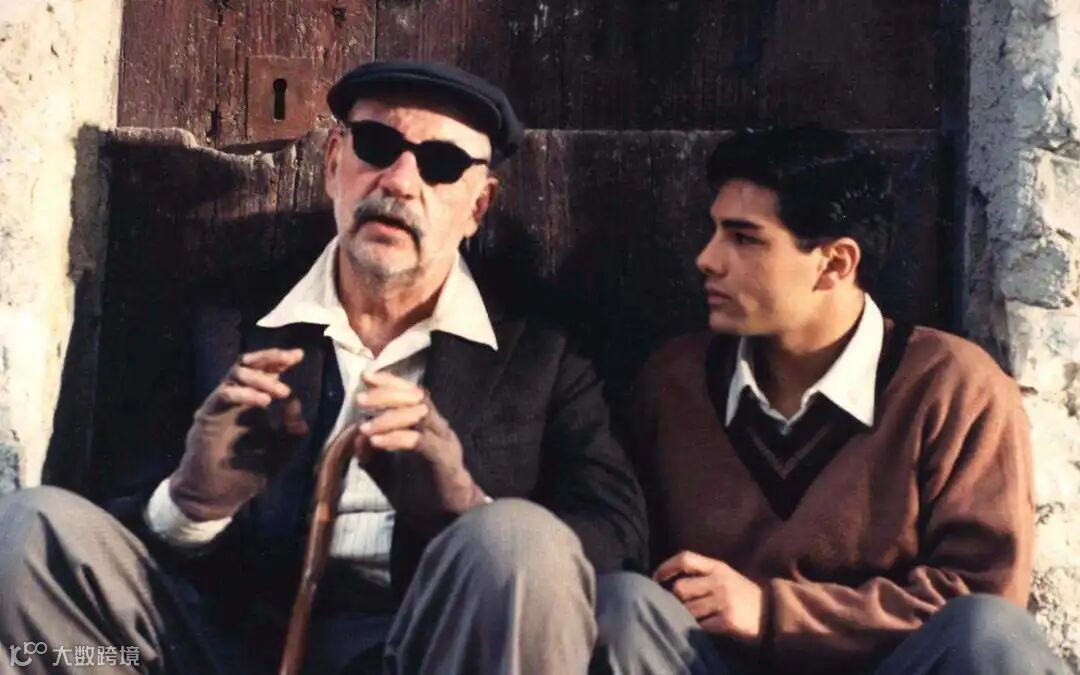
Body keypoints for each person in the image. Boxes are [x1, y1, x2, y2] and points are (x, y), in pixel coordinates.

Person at [0, 60, 648, 675]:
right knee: (29, 532)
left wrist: (467, 511)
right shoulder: (221, 320)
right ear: (335, 164)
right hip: (219, 647)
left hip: (437, 649)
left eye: (442, 164)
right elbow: (109, 509)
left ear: (478, 206)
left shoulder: (544, 350)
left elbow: (618, 536)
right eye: (377, 145)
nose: (399, 182)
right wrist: (192, 500)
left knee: (517, 539)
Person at [602, 127, 1068, 675]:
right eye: (714, 232)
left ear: (836, 262)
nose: (708, 259)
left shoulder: (953, 385)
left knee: (991, 633)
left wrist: (773, 612)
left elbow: (981, 592)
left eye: (744, 239)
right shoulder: (672, 382)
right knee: (622, 606)